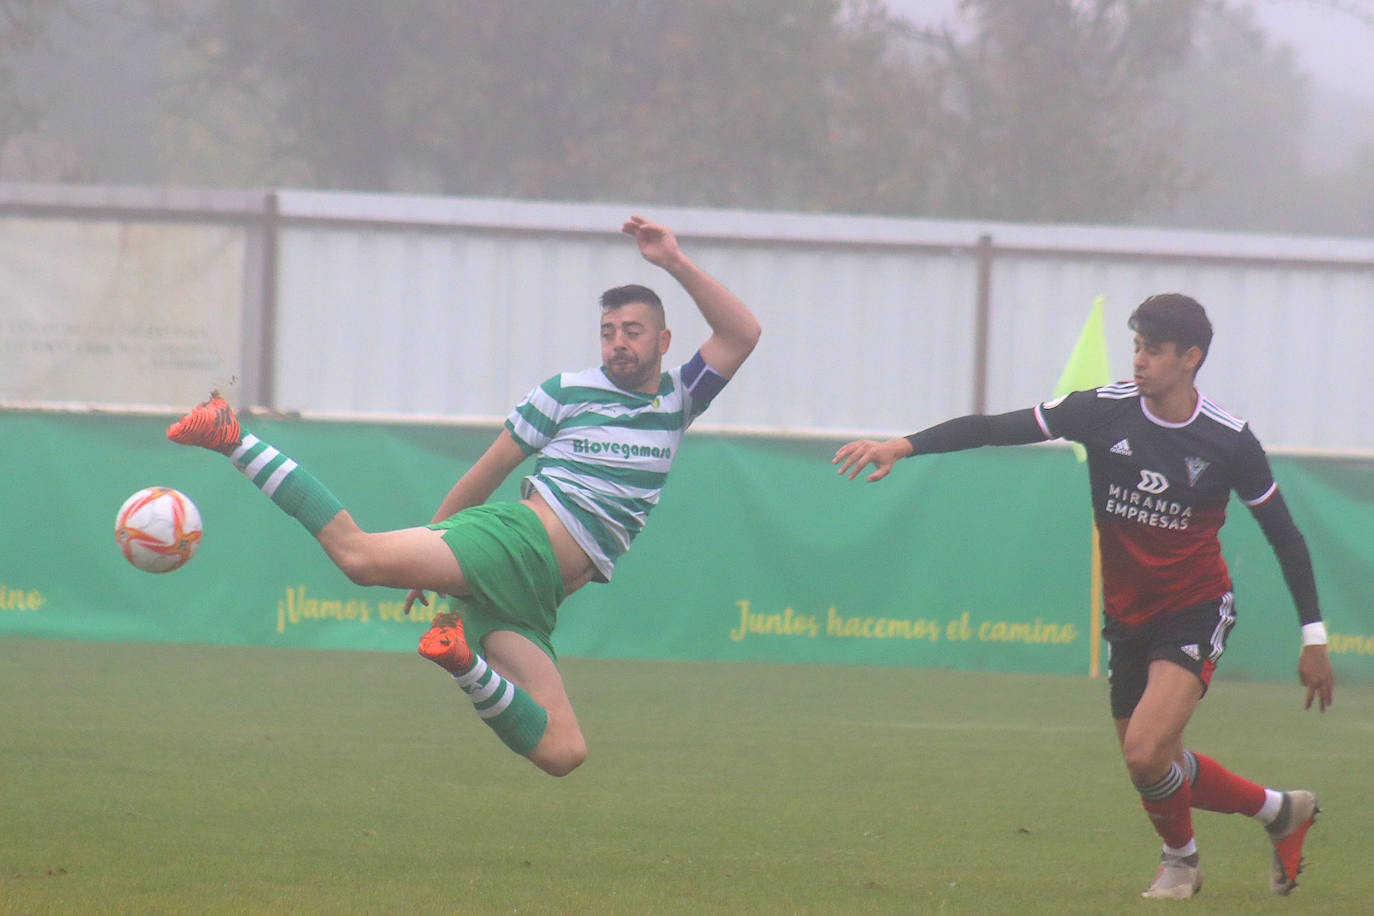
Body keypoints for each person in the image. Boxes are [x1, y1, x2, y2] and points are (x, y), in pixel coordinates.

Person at [167, 215, 761, 777]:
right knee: (360, 558)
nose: (617, 345)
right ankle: (231, 435)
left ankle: (462, 660)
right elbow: (485, 473)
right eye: (608, 333)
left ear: (664, 339)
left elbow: (742, 332)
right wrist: (439, 538)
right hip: (516, 542)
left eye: (632, 332)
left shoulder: (679, 400)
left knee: (562, 750)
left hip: (532, 597)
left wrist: (674, 261)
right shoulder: (565, 392)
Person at [832, 293, 1334, 899]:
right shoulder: (1101, 410)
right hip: (1128, 614)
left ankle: (1181, 862)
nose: (1139, 360)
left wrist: (1314, 637)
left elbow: (1285, 535)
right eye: (1137, 346)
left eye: (1154, 349)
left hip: (1195, 605)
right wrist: (901, 446)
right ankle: (1281, 812)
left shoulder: (1227, 440)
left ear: (1191, 357)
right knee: (1155, 759)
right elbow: (997, 427)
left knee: (1147, 754)